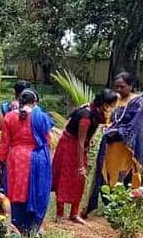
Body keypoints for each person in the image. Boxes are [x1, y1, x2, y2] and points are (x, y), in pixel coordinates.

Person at [84, 72, 143, 216]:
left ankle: (121, 209)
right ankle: (108, 207)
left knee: (123, 177)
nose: (119, 89)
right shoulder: (115, 99)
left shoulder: (137, 101)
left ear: (131, 86)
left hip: (125, 148)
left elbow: (133, 125)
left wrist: (111, 132)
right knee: (104, 173)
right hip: (109, 145)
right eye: (117, 86)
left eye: (122, 86)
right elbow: (102, 110)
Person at [51, 89, 119, 223]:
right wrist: (81, 165)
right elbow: (80, 142)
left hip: (79, 146)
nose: (113, 108)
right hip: (70, 147)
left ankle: (74, 214)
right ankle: (59, 215)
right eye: (112, 105)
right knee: (65, 178)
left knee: (79, 181)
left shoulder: (96, 111)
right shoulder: (86, 117)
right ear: (105, 105)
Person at [0, 89, 53, 235]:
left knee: (16, 190)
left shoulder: (9, 117)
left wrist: (0, 161)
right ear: (35, 102)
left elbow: (4, 143)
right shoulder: (41, 117)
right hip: (37, 159)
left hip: (16, 159)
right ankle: (33, 226)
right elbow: (47, 140)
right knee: (36, 190)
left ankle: (17, 224)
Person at [0, 80, 32, 162]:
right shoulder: (34, 110)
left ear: (14, 92)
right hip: (30, 153)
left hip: (9, 151)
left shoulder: (6, 108)